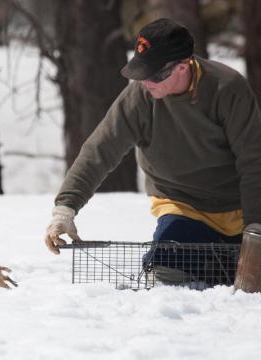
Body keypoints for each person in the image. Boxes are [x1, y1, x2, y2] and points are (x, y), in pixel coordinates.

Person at [44, 18, 261, 284]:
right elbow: (99, 151)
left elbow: (254, 162)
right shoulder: (140, 97)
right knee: (166, 277)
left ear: (184, 65)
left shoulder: (227, 89)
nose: (147, 81)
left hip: (240, 208)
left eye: (156, 74)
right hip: (183, 206)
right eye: (141, 71)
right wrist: (65, 209)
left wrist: (255, 229)